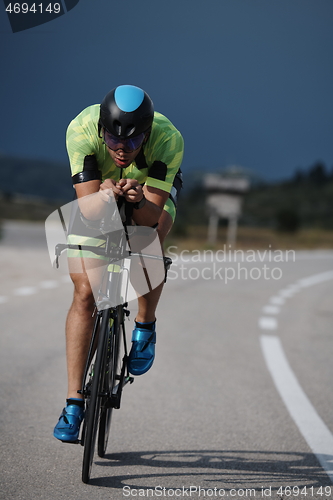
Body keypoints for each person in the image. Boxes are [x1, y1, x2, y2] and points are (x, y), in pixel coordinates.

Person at [54, 85, 184, 442]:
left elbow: (150, 218)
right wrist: (106, 195)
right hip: (99, 192)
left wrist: (138, 198)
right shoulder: (81, 129)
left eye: (133, 140)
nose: (121, 148)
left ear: (148, 132)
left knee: (152, 237)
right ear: (101, 129)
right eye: (112, 139)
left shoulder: (168, 139)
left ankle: (145, 324)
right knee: (85, 293)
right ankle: (73, 404)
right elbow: (90, 211)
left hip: (148, 196)